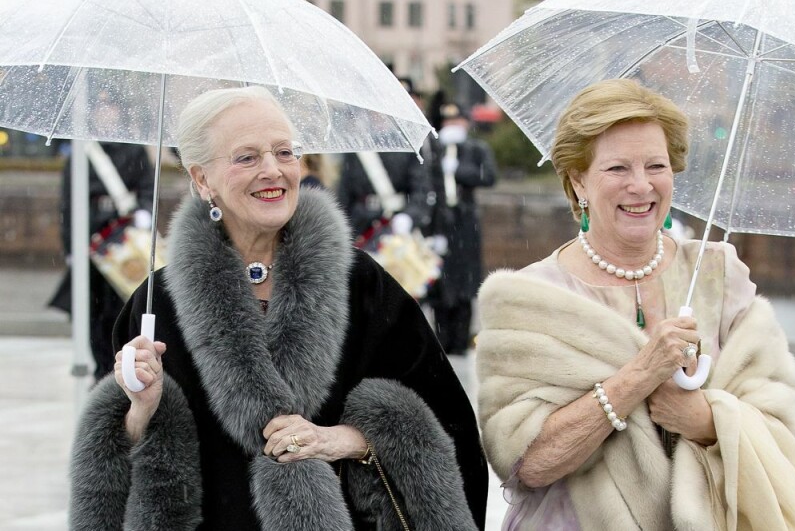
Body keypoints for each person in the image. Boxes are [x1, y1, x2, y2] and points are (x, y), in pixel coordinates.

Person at [68, 86, 487, 530]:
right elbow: (113, 473)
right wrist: (141, 406)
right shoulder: (158, 304)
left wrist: (338, 441)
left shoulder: (362, 284)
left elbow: (447, 425)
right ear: (202, 179)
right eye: (246, 157)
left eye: (284, 152)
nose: (273, 170)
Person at [475, 79, 795, 530]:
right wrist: (639, 376)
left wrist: (705, 419)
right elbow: (527, 465)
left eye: (656, 165)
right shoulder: (526, 300)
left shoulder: (718, 275)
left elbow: (779, 421)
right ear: (577, 180)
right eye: (617, 169)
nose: (641, 185)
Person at [49, 90, 154, 380]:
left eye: (110, 106)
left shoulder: (134, 150)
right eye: (100, 107)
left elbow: (148, 188)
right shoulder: (82, 152)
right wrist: (71, 247)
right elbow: (69, 204)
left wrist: (144, 213)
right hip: (92, 242)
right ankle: (101, 374)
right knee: (92, 317)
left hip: (126, 241)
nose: (105, 113)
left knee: (127, 309)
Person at [426, 102, 497, 355]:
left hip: (465, 222)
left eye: (457, 122)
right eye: (448, 123)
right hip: (440, 222)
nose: (452, 127)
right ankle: (442, 338)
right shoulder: (434, 149)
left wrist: (459, 171)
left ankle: (461, 338)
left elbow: (488, 176)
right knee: (441, 283)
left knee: (466, 282)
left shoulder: (476, 149)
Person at [336, 78, 433, 243]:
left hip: (399, 225)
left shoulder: (409, 146)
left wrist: (409, 216)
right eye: (374, 110)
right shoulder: (357, 147)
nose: (377, 115)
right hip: (362, 227)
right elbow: (344, 194)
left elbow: (421, 190)